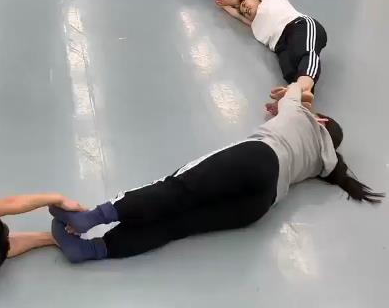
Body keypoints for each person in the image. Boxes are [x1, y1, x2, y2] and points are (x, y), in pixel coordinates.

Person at [48, 83, 382, 263]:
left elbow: (297, 88)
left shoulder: (301, 114)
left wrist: (294, 95)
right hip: (263, 202)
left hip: (258, 158)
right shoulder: (327, 163)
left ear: (320, 119)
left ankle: (91, 218)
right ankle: (92, 251)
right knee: (177, 225)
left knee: (176, 190)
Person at [214, 0, 326, 98]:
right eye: (243, 12)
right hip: (281, 47)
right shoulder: (254, 25)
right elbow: (238, 15)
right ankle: (300, 97)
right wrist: (224, 5)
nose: (245, 10)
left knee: (305, 52)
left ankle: (301, 88)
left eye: (244, 4)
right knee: (290, 72)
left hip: (298, 26)